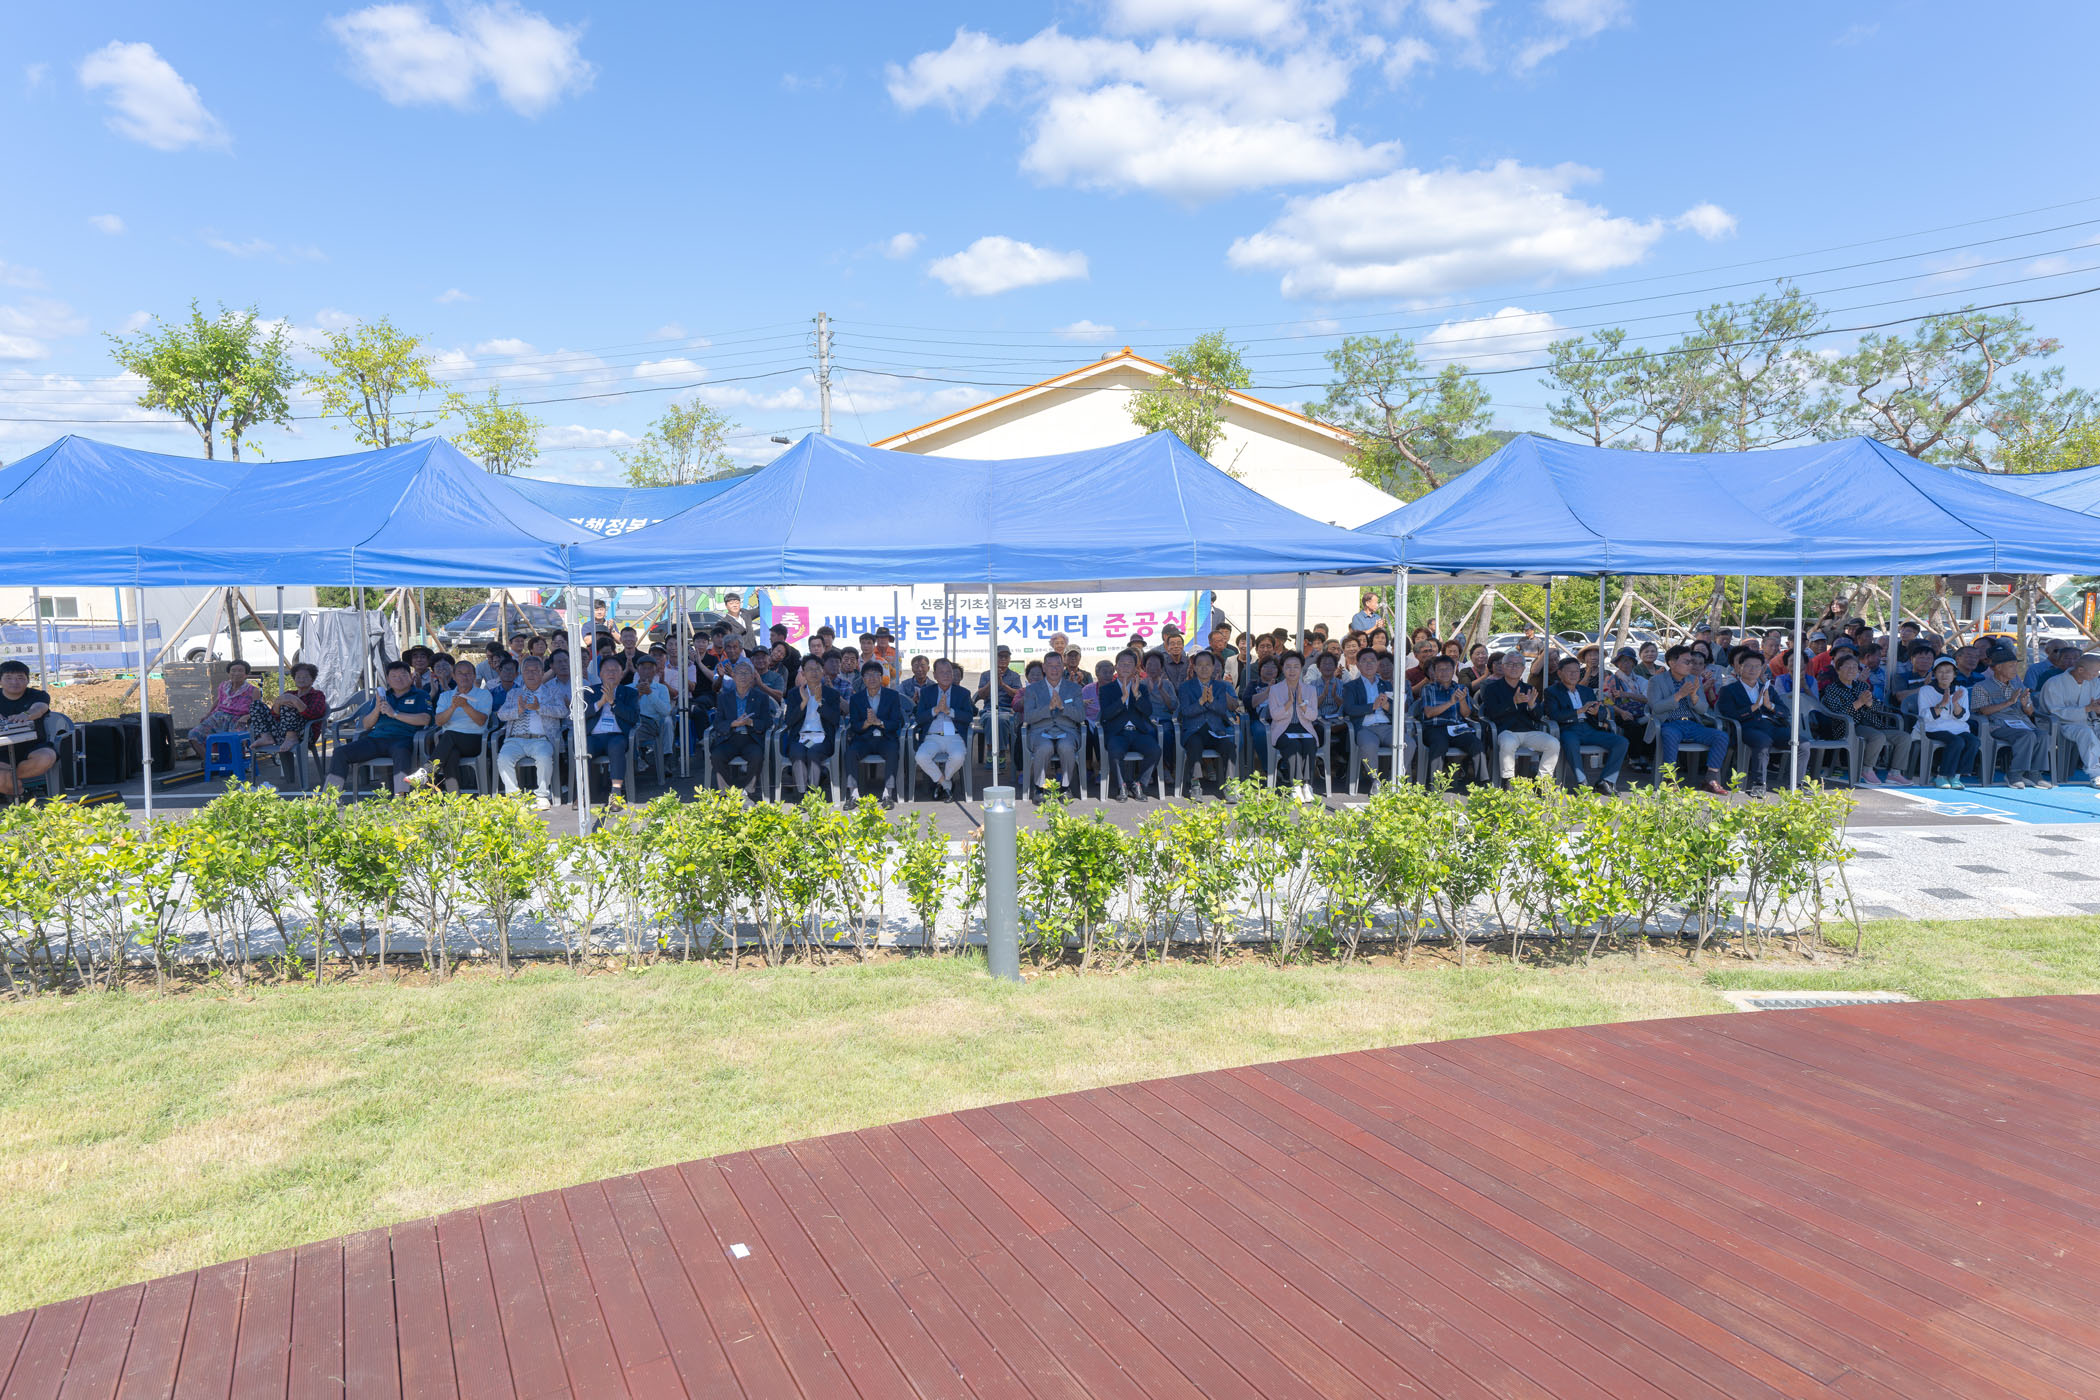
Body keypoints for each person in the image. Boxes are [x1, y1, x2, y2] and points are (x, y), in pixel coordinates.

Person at [326, 660, 431, 796]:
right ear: (388, 679)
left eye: (403, 675)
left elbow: (425, 719)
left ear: (411, 677)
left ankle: (400, 798)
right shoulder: (382, 696)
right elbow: (366, 725)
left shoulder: (421, 695)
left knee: (402, 753)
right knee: (340, 752)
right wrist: (376, 709)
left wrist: (394, 714)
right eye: (394, 676)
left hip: (403, 738)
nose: (399, 679)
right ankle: (330, 797)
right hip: (376, 739)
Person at [1813, 653, 1913, 787]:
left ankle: (1895, 773)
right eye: (1847, 667)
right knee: (1877, 737)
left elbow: (1877, 706)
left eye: (1854, 667)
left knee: (1904, 737)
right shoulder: (1832, 689)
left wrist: (1870, 704)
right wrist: (1859, 703)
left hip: (1872, 724)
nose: (1851, 670)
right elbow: (1837, 713)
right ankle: (1866, 769)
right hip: (1849, 726)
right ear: (1838, 670)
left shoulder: (1861, 686)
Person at [1646, 645, 1730, 794]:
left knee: (1721, 736)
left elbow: (1703, 709)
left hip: (1691, 724)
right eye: (1687, 662)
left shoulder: (1693, 680)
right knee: (1670, 735)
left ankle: (1710, 779)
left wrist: (1693, 695)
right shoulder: (1656, 681)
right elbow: (1656, 707)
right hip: (1669, 723)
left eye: (1691, 662)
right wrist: (1679, 694)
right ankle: (1670, 779)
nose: (1691, 665)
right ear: (1672, 663)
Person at [1971, 645, 2053, 789]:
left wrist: (2026, 705)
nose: (2015, 669)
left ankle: (2033, 773)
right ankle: (2014, 774)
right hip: (1998, 724)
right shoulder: (1981, 686)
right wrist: (2009, 702)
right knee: (2027, 735)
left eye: (2016, 665)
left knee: (2042, 735)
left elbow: (2030, 712)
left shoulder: (2018, 684)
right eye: (2011, 666)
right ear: (1998, 668)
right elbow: (1983, 711)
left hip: (2022, 723)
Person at [1544, 655, 1628, 795]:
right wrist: (1580, 711)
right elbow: (1554, 715)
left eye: (1576, 671)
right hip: (1568, 729)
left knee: (1621, 742)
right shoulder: (1552, 692)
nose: (1573, 675)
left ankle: (1605, 781)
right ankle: (1582, 783)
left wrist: (1596, 712)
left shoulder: (1586, 691)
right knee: (1571, 742)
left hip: (1589, 729)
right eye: (1569, 671)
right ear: (1560, 673)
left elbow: (1601, 710)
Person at [1717, 647, 1791, 797]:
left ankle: (1798, 784)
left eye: (1757, 666)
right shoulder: (1729, 690)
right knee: (1763, 741)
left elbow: (1785, 711)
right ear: (1739, 668)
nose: (1753, 670)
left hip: (1771, 726)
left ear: (1762, 669)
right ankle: (1758, 784)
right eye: (1749, 666)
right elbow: (1729, 714)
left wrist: (1770, 706)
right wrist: (1754, 707)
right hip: (1747, 728)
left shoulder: (1767, 689)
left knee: (1802, 743)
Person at [494, 655, 565, 808]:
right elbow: (501, 714)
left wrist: (539, 708)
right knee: (503, 758)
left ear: (542, 673)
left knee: (544, 757)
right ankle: (514, 797)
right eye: (527, 671)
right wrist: (518, 710)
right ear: (522, 674)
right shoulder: (514, 693)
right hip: (515, 739)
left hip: (541, 739)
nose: (531, 674)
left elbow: (563, 711)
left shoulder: (552, 691)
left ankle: (542, 795)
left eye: (535, 670)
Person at [1478, 653, 1556, 784]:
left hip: (1528, 731)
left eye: (1518, 665)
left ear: (1523, 669)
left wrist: (1532, 705)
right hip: (1505, 731)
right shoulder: (1492, 688)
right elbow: (1491, 714)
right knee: (1508, 743)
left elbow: (1539, 717)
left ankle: (1542, 782)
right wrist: (1513, 702)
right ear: (1503, 667)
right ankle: (1508, 783)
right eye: (1510, 664)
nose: (1514, 667)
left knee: (1553, 743)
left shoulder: (1529, 688)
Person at [1021, 650, 1087, 800]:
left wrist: (1063, 707)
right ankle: (1039, 788)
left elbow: (1080, 716)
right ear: (1044, 668)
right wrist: (1048, 708)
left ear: (1063, 667)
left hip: (1067, 731)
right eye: (1050, 666)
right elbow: (1028, 717)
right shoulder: (1032, 690)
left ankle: (1065, 787)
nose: (1054, 669)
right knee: (1045, 747)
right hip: (1040, 731)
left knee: (1066, 747)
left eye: (1058, 665)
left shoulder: (1074, 688)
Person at [1096, 650, 1160, 799]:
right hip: (1117, 733)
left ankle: (1139, 785)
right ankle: (1122, 786)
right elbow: (1106, 715)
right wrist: (1123, 698)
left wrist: (1136, 695)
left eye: (1129, 664)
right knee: (1115, 751)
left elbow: (1148, 711)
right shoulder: (1106, 689)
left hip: (1138, 732)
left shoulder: (1141, 688)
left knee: (1155, 751)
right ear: (1116, 667)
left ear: (1135, 668)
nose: (1125, 667)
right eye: (1122, 664)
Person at [1176, 649, 1240, 796]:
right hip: (1194, 731)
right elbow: (1185, 711)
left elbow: (1222, 710)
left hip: (1215, 731)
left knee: (1230, 747)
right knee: (1195, 744)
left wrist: (1211, 701)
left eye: (1207, 665)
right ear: (1194, 667)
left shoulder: (1221, 686)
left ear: (1213, 667)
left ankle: (1229, 785)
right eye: (1200, 665)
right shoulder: (1185, 687)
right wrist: (1200, 702)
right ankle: (1195, 784)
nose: (1204, 668)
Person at [426, 658, 492, 793]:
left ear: (474, 676)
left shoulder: (484, 694)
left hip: (474, 740)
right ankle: (454, 798)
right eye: (460, 673)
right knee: (451, 754)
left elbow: (481, 721)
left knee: (449, 735)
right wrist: (452, 707)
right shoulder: (445, 696)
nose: (464, 676)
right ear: (454, 676)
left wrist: (465, 705)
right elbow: (439, 722)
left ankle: (426, 772)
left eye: (468, 673)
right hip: (449, 743)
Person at [912, 658, 974, 799]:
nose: (946, 675)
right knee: (920, 757)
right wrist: (935, 710)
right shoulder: (927, 692)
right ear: (935, 675)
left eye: (949, 672)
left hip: (954, 736)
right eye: (942, 672)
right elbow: (919, 718)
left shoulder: (963, 693)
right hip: (932, 736)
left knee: (958, 756)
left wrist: (948, 711)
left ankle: (941, 783)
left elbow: (969, 717)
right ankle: (946, 783)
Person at [708, 660, 772, 797]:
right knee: (717, 755)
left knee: (757, 756)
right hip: (729, 738)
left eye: (746, 673)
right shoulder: (724, 697)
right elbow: (717, 723)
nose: (742, 676)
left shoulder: (761, 697)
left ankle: (748, 792)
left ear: (752, 677)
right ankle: (727, 793)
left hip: (751, 738)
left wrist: (750, 722)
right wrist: (733, 724)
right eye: (739, 673)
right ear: (733, 676)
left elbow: (768, 722)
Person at [846, 660, 905, 805]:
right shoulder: (856, 698)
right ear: (863, 678)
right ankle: (853, 794)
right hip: (864, 739)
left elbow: (896, 722)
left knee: (892, 751)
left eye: (876, 674)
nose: (872, 678)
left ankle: (887, 794)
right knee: (850, 752)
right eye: (868, 675)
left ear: (881, 677)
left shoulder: (892, 696)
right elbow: (854, 725)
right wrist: (866, 723)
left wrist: (879, 722)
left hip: (885, 738)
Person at [583, 653, 639, 805]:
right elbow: (580, 715)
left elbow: (633, 717)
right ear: (600, 674)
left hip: (617, 735)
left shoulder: (630, 693)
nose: (611, 673)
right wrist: (600, 703)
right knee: (584, 747)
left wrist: (613, 702)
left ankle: (616, 793)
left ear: (621, 674)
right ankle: (582, 792)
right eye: (607, 670)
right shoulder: (590, 692)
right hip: (594, 736)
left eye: (615, 670)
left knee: (616, 746)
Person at [1418, 655, 1482, 787]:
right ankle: (1434, 786)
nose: (1444, 672)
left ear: (1453, 671)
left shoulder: (1461, 688)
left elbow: (1466, 714)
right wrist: (1450, 703)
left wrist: (1462, 701)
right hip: (1435, 728)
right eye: (1440, 669)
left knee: (1476, 744)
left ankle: (1483, 784)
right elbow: (1428, 713)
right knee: (1439, 745)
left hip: (1457, 728)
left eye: (1447, 669)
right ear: (1434, 672)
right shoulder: (1428, 689)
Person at [782, 656, 841, 798]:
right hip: (801, 738)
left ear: (823, 672)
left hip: (823, 739)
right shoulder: (794, 693)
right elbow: (789, 721)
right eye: (809, 669)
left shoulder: (832, 694)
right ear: (803, 673)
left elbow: (835, 720)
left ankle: (813, 794)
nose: (814, 672)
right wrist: (803, 703)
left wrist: (820, 702)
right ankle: (803, 795)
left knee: (813, 753)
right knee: (797, 753)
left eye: (817, 669)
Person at [1915, 657, 1978, 789]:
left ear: (1954, 674)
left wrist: (1955, 703)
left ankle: (1956, 776)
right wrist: (1943, 703)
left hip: (1958, 728)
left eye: (1948, 671)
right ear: (1934, 674)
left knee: (1974, 741)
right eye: (1940, 671)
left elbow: (1964, 717)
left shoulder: (1961, 690)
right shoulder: (1925, 690)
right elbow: (1925, 717)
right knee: (1957, 741)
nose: (1944, 675)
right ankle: (1942, 776)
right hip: (1933, 728)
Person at [1264, 653, 1322, 794]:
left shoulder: (1310, 690)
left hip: (1304, 727)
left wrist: (1301, 703)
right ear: (1282, 669)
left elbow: (1313, 716)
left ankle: (1307, 785)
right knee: (1293, 744)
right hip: (1283, 729)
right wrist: (1289, 703)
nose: (1292, 670)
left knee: (1309, 742)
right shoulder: (1275, 689)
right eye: (1288, 667)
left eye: (1296, 666)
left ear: (1301, 668)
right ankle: (1295, 785)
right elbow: (1275, 715)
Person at [0, 660, 58, 800]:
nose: (14, 682)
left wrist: (25, 715)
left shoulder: (38, 695)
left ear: (27, 680)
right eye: (8, 678)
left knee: (47, 757)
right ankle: (22, 795)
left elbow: (40, 708)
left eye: (20, 678)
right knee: (1, 777)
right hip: (2, 750)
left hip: (33, 746)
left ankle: (10, 782)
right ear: (0, 681)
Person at [2039, 652, 2100, 784]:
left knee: (2089, 730)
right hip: (2060, 724)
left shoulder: (2093, 682)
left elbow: (2096, 701)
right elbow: (2055, 712)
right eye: (2095, 672)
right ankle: (2096, 774)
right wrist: (2087, 709)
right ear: (2080, 670)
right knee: (2085, 733)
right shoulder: (2054, 683)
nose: (2097, 675)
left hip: (2086, 721)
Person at [249, 662, 327, 757]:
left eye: (306, 677)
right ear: (294, 679)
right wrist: (278, 703)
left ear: (312, 680)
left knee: (289, 704)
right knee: (256, 705)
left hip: (305, 735)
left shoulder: (317, 695)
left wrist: (295, 700)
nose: (301, 679)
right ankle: (266, 737)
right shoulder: (289, 693)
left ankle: (291, 737)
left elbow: (314, 714)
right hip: (281, 733)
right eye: (298, 677)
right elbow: (275, 716)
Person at [1342, 648, 1394, 789]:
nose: (1369, 664)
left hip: (1387, 727)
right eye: (1364, 661)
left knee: (1408, 743)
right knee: (1369, 745)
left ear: (1377, 664)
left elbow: (1397, 709)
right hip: (1365, 728)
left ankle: (1393, 780)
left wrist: (1386, 706)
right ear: (1358, 665)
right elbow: (1349, 709)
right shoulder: (1351, 686)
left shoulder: (1386, 684)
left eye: (1372, 661)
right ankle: (1376, 781)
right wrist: (1373, 706)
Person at [187, 659, 261, 758]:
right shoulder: (223, 686)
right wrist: (208, 714)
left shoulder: (253, 690)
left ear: (246, 674)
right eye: (233, 670)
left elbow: (258, 710)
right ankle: (208, 761)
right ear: (229, 673)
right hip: (218, 718)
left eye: (240, 671)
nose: (236, 673)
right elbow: (218, 700)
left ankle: (234, 762)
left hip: (238, 719)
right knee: (193, 735)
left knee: (234, 741)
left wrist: (247, 716)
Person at [631, 655, 674, 765]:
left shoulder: (661, 688)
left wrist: (650, 694)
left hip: (653, 723)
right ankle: (639, 756)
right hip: (634, 722)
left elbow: (666, 711)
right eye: (643, 668)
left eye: (650, 668)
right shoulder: (629, 688)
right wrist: (637, 695)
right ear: (637, 670)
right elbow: (624, 709)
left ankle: (665, 758)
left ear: (655, 671)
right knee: (632, 730)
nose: (647, 671)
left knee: (668, 721)